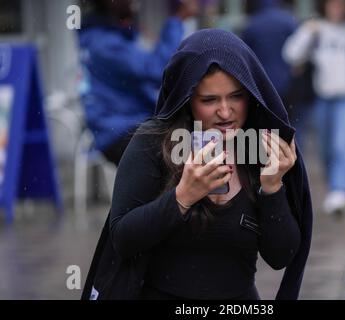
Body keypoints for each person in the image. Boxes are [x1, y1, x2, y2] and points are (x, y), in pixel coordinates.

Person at [81, 29, 313, 300]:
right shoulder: (152, 143)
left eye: (236, 96)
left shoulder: (259, 148)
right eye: (209, 100)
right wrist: (182, 197)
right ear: (187, 99)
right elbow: (122, 238)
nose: (225, 112)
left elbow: (280, 256)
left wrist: (272, 188)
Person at [77, 0, 199, 166]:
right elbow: (159, 70)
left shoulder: (103, 37)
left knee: (193, 137)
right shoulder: (106, 44)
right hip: (120, 132)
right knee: (191, 149)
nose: (135, 3)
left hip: (121, 128)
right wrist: (176, 20)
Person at [283, 0, 345, 215]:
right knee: (324, 149)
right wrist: (307, 33)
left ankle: (339, 190)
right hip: (323, 98)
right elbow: (291, 54)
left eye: (341, 5)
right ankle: (333, 186)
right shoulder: (316, 30)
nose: (337, 8)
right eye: (333, 4)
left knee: (340, 144)